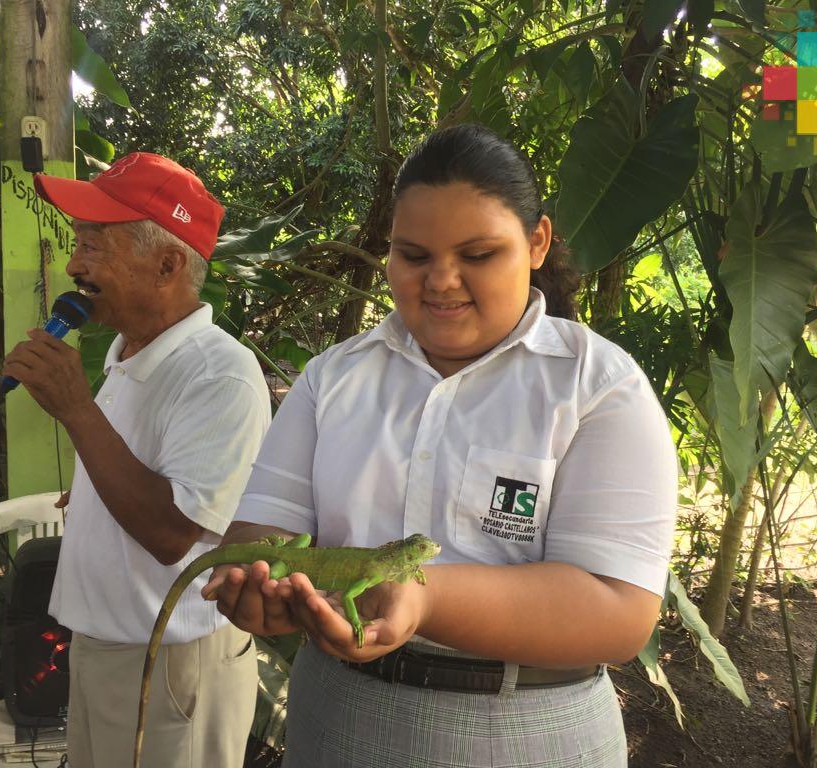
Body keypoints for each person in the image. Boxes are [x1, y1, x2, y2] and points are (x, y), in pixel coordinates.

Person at [204, 125, 677, 767]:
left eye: (478, 254)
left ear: (537, 243)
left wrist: (425, 597)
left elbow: (620, 614)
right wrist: (264, 590)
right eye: (413, 255)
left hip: (532, 733)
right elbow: (264, 526)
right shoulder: (334, 376)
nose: (442, 280)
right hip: (334, 718)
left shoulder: (597, 385)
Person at [2, 152, 270, 768]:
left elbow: (172, 535)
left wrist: (76, 410)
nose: (74, 265)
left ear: (168, 264)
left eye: (95, 245)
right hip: (104, 648)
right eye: (79, 244)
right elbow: (138, 473)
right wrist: (94, 495)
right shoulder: (127, 354)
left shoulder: (220, 375)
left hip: (170, 663)